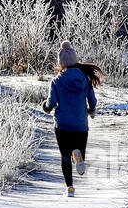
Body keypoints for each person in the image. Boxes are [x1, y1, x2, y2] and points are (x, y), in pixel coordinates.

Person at [43, 41, 101, 198]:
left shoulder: (56, 81)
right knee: (80, 152)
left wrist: (45, 107)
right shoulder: (85, 79)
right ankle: (78, 154)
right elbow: (92, 100)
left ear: (61, 63)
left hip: (62, 124)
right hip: (80, 123)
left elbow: (51, 103)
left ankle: (70, 188)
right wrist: (91, 111)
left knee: (64, 156)